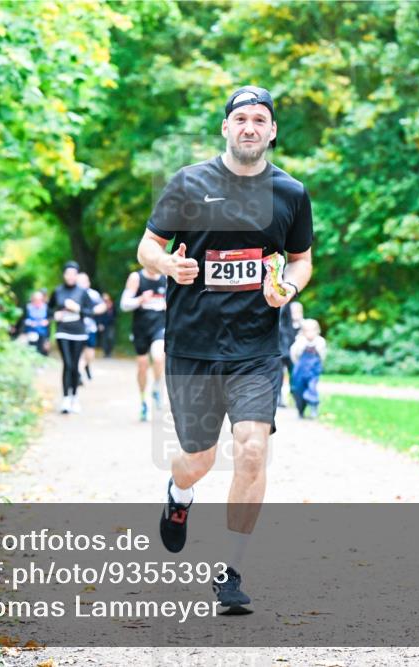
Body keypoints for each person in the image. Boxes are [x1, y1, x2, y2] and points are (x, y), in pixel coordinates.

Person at [137, 85, 313, 614]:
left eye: (260, 119)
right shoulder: (188, 183)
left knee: (253, 448)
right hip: (193, 346)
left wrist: (290, 287)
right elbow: (148, 248)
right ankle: (179, 494)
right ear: (225, 128)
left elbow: (301, 260)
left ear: (273, 130)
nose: (250, 127)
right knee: (198, 459)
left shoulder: (290, 193)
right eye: (240, 118)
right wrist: (168, 265)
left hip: (257, 347)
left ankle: (230, 572)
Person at [120, 267, 167, 421]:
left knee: (159, 357)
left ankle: (156, 387)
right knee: (142, 365)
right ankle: (143, 401)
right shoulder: (136, 277)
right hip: (140, 328)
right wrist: (140, 299)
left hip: (159, 325)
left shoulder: (165, 277)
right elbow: (124, 304)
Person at [50, 262, 97, 414]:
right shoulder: (58, 291)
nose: (70, 276)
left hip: (79, 332)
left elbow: (90, 312)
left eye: (73, 274)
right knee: (68, 364)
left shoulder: (82, 292)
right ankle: (65, 398)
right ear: (63, 275)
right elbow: (49, 310)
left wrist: (77, 309)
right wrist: (54, 316)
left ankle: (74, 397)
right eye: (67, 273)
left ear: (77, 275)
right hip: (62, 331)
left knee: (75, 365)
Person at [289, 318, 326, 418]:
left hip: (313, 371)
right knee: (298, 390)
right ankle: (300, 410)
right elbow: (293, 354)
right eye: (307, 330)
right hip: (300, 371)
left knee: (312, 388)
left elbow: (322, 356)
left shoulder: (320, 342)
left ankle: (314, 407)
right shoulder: (299, 341)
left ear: (317, 330)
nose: (310, 333)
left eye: (312, 330)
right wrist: (297, 364)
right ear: (303, 332)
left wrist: (319, 366)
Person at [77, 272, 106, 383]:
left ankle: (84, 368)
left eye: (84, 281)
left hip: (90, 328)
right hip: (76, 328)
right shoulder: (73, 293)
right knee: (78, 353)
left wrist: (92, 311)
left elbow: (102, 306)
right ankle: (78, 372)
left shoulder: (93, 294)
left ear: (88, 283)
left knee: (89, 354)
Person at [278, 301, 303, 407]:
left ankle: (297, 399)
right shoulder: (282, 323)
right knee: (279, 376)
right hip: (281, 351)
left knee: (294, 376)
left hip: (292, 354)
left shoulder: (300, 325)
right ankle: (279, 399)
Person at [23, 290, 50, 356]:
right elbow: (23, 320)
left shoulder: (46, 307)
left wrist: (47, 321)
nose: (38, 301)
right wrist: (30, 323)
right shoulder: (28, 307)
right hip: (32, 333)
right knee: (32, 351)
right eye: (36, 299)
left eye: (40, 299)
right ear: (33, 299)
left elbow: (50, 319)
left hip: (43, 333)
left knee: (43, 351)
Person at [96, 292, 117, 358]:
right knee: (104, 339)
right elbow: (98, 316)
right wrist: (99, 324)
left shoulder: (112, 304)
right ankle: (106, 353)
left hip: (111, 324)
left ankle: (109, 352)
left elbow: (115, 314)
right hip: (103, 325)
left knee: (110, 338)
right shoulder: (100, 305)